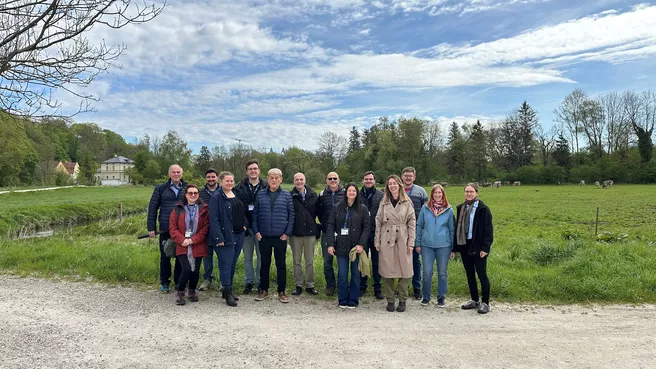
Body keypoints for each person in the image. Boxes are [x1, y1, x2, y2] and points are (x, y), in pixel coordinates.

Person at [375, 175, 416, 313]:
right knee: (387, 271)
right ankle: (390, 300)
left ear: (399, 184)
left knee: (405, 271)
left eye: (394, 183)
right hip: (387, 237)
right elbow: (378, 222)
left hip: (403, 237)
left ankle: (403, 300)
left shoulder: (407, 202)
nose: (392, 186)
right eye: (389, 184)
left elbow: (412, 223)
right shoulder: (384, 202)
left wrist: (411, 242)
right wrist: (377, 241)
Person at [252, 168, 294, 303]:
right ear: (268, 179)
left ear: (281, 179)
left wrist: (287, 233)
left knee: (281, 264)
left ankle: (281, 291)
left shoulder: (287, 195)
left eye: (277, 178)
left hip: (280, 237)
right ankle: (263, 290)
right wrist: (256, 231)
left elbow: (291, 215)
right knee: (264, 264)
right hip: (263, 236)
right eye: (271, 178)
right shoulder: (260, 194)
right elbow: (255, 215)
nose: (274, 180)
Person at [326, 183, 370, 309]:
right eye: (349, 190)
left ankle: (353, 299)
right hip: (341, 246)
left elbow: (366, 228)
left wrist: (361, 244)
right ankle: (343, 299)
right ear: (346, 193)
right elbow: (330, 225)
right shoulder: (337, 208)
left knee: (356, 274)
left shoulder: (362, 209)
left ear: (357, 193)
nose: (351, 193)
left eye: (354, 191)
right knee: (343, 274)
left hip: (356, 248)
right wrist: (330, 244)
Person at [452, 183, 494, 314]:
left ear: (476, 193)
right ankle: (474, 300)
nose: (469, 194)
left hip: (478, 245)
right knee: (470, 274)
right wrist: (454, 248)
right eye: (466, 191)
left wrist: (485, 247)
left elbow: (488, 230)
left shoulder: (483, 209)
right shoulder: (461, 208)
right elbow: (456, 228)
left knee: (482, 275)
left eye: (471, 191)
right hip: (465, 245)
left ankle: (485, 302)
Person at [209, 171, 248, 306]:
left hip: (239, 234)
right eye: (227, 181)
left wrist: (244, 225)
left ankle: (227, 290)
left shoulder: (235, 194)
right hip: (225, 236)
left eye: (232, 181)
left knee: (232, 263)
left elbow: (241, 210)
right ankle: (227, 291)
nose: (230, 183)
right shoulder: (216, 197)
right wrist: (218, 237)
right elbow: (213, 219)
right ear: (221, 182)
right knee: (225, 264)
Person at [147, 164, 187, 293]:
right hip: (165, 227)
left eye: (178, 172)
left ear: (182, 173)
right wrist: (151, 227)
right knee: (165, 255)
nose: (176, 174)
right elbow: (153, 208)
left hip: (182, 228)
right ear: (169, 174)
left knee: (181, 255)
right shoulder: (161, 188)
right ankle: (164, 282)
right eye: (174, 172)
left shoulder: (187, 188)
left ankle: (178, 281)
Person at [168, 184, 209, 305]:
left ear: (198, 195)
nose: (193, 195)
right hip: (182, 244)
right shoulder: (177, 209)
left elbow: (205, 228)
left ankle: (192, 291)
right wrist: (182, 240)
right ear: (185, 195)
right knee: (186, 269)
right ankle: (180, 291)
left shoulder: (204, 209)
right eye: (190, 193)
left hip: (197, 244)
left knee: (195, 270)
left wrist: (193, 240)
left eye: (195, 193)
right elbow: (172, 228)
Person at [416, 184, 454, 307]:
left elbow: (452, 229)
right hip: (427, 246)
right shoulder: (425, 208)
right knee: (427, 272)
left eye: (440, 193)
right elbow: (419, 226)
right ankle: (426, 296)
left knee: (442, 273)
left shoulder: (449, 210)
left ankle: (441, 297)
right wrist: (418, 243)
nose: (437, 195)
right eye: (435, 193)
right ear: (431, 194)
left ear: (443, 194)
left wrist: (453, 248)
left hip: (444, 246)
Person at [236, 159, 268, 294]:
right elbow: (238, 208)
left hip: (261, 228)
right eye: (250, 169)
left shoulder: (266, 186)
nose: (253, 171)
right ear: (247, 171)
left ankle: (261, 282)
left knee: (261, 256)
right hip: (246, 227)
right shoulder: (239, 187)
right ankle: (249, 282)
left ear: (259, 171)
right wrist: (244, 224)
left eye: (255, 168)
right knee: (247, 257)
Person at [289, 173, 320, 296]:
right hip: (296, 233)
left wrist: (318, 228)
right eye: (297, 179)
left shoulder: (313, 195)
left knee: (309, 260)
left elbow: (318, 213)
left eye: (301, 179)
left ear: (305, 180)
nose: (299, 181)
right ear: (294, 181)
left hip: (310, 232)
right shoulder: (290, 196)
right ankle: (298, 285)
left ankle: (310, 285)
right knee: (296, 260)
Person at [402, 166, 428, 300]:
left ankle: (417, 288)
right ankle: (402, 288)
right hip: (400, 231)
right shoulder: (398, 190)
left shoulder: (420, 191)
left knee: (415, 260)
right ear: (402, 177)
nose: (408, 178)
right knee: (401, 260)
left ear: (414, 177)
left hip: (416, 230)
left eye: (410, 175)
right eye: (405, 175)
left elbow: (426, 210)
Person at [317, 171, 344, 296]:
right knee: (327, 262)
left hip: (343, 233)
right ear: (326, 180)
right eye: (330, 178)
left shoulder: (345, 193)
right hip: (327, 232)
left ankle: (341, 285)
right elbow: (318, 212)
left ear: (338, 180)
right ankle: (330, 286)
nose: (332, 180)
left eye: (335, 178)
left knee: (341, 261)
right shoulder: (322, 195)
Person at [359, 171, 384, 299]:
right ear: (363, 181)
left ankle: (377, 287)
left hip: (376, 233)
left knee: (376, 262)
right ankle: (362, 287)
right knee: (363, 261)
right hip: (362, 233)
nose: (368, 181)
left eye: (371, 179)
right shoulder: (357, 194)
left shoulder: (381, 195)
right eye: (366, 179)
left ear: (374, 181)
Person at [199, 168, 219, 291]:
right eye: (208, 177)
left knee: (223, 256)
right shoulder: (200, 193)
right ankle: (207, 278)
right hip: (205, 229)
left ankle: (224, 281)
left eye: (213, 177)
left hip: (220, 230)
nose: (211, 179)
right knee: (207, 255)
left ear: (217, 178)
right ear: (205, 178)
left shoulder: (223, 191)